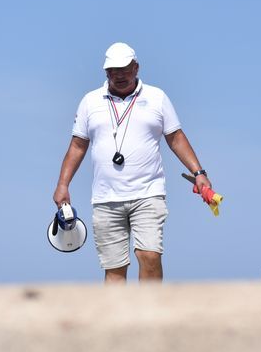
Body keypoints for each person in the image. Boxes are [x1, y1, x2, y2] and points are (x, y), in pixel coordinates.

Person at [53, 42, 213, 283]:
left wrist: (198, 172)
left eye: (124, 70)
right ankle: (119, 310)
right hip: (106, 197)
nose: (119, 75)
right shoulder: (90, 101)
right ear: (106, 72)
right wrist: (63, 184)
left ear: (136, 68)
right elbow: (77, 146)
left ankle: (149, 306)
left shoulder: (157, 97)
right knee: (115, 269)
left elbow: (176, 138)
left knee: (149, 255)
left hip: (148, 193)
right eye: (113, 71)